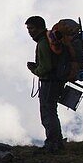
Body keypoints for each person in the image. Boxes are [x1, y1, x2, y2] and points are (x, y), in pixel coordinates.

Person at [25, 15, 65, 152]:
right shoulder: (49, 40)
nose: (30, 31)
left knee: (47, 112)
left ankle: (53, 144)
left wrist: (34, 69)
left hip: (49, 82)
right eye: (28, 29)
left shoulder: (42, 43)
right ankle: (57, 142)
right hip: (56, 81)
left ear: (39, 28)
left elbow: (46, 67)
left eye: (31, 28)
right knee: (51, 111)